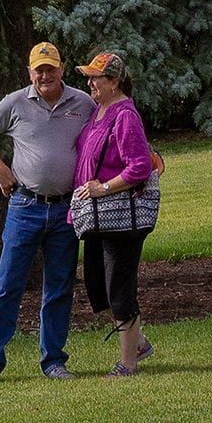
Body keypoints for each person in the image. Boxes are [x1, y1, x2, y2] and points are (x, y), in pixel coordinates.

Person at [0, 40, 95, 387]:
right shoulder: (15, 103)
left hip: (66, 211)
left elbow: (104, 131)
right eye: (38, 69)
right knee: (7, 286)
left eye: (50, 68)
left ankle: (53, 361)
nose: (45, 75)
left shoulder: (82, 103)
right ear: (30, 72)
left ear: (62, 68)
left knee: (58, 288)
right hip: (24, 206)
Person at [72, 51, 157, 377]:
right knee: (98, 289)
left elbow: (139, 166)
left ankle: (128, 364)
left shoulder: (125, 116)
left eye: (96, 77)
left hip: (121, 217)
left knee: (119, 290)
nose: (89, 82)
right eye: (89, 76)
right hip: (96, 218)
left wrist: (103, 188)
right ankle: (139, 342)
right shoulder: (100, 111)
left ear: (114, 81)